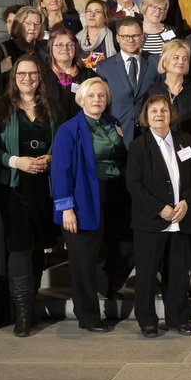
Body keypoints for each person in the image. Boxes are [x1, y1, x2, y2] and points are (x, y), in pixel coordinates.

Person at [50, 78, 131, 332]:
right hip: (83, 197)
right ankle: (87, 316)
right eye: (92, 95)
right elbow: (60, 171)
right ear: (81, 99)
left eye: (101, 96)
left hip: (116, 195)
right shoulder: (68, 129)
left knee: (129, 246)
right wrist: (66, 208)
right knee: (83, 260)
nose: (97, 100)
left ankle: (106, 285)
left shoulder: (113, 123)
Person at [126, 94, 191, 338]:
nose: (159, 114)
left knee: (177, 273)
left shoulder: (186, 141)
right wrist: (160, 208)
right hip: (151, 221)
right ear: (146, 117)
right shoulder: (138, 146)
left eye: (164, 110)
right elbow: (134, 185)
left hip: (181, 218)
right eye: (154, 111)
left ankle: (178, 319)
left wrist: (186, 203)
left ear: (171, 114)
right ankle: (147, 321)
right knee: (147, 274)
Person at [94, 18, 159, 145]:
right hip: (117, 135)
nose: (130, 40)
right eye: (125, 36)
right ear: (117, 38)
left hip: (150, 132)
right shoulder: (104, 67)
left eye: (135, 35)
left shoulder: (156, 61)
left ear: (142, 37)